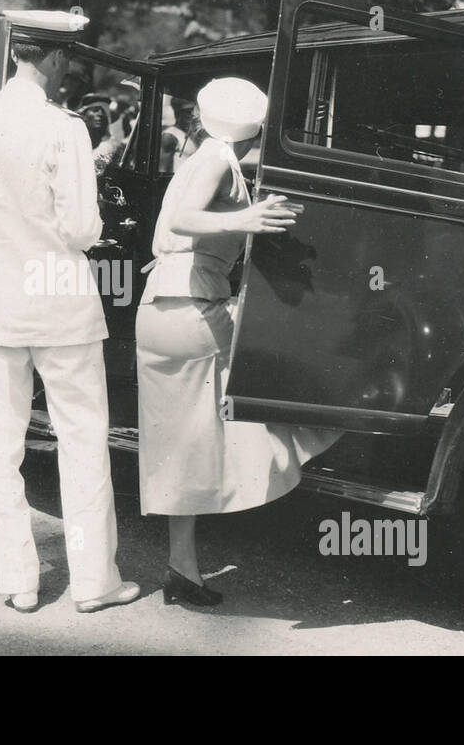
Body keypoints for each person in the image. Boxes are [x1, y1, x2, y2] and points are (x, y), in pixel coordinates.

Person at [0, 11, 138, 614]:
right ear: (54, 59)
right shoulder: (66, 128)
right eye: (66, 60)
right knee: (81, 442)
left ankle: (20, 583)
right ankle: (94, 581)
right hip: (57, 306)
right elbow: (81, 227)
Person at [136, 77, 338, 607]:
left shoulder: (197, 157)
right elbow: (184, 220)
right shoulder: (219, 160)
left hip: (159, 309)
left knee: (186, 441)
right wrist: (248, 218)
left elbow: (169, 233)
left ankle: (183, 568)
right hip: (193, 311)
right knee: (278, 400)